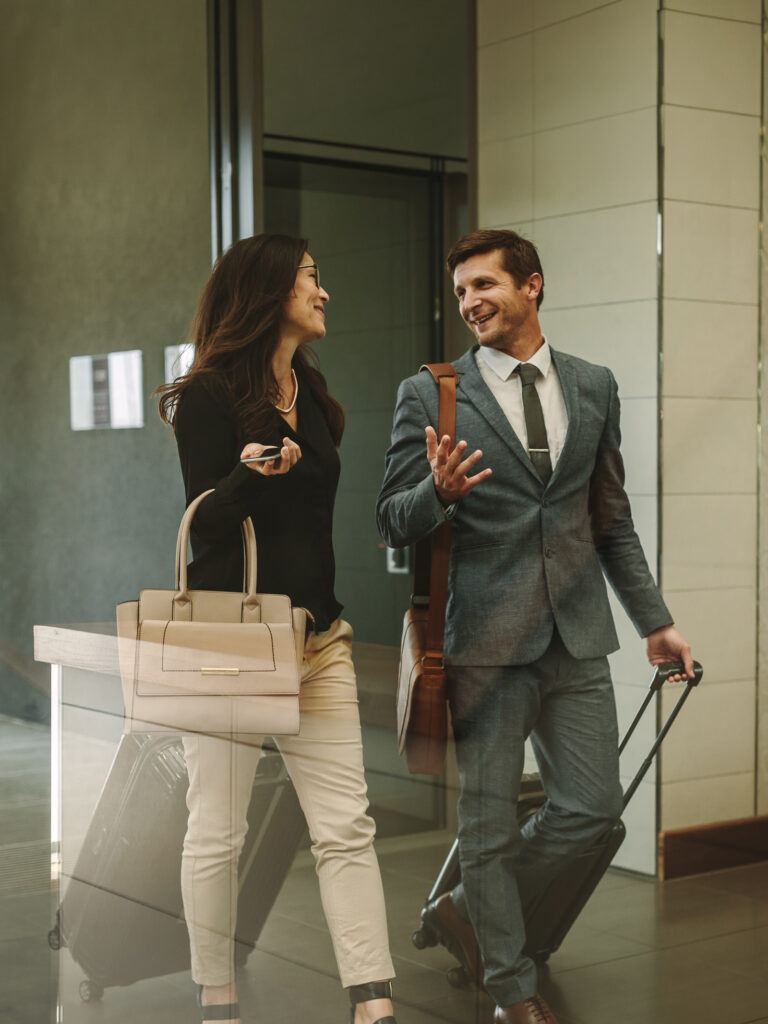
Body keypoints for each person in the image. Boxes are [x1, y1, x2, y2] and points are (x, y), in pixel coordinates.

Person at [375, 229, 694, 1024]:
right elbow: (390, 521)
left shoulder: (594, 385)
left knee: (592, 811)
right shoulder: (433, 392)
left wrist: (655, 623)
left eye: (485, 285)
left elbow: (609, 519)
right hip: (483, 640)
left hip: (578, 635)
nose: (471, 303)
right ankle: (510, 989)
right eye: (461, 293)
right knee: (485, 825)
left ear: (533, 286)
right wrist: (437, 495)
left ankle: (470, 911)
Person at [157, 234, 397, 1024]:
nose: (323, 293)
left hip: (318, 640)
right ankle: (217, 994)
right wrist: (248, 474)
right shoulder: (209, 396)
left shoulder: (313, 391)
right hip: (230, 646)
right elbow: (204, 524)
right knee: (218, 832)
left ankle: (372, 1000)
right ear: (269, 294)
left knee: (344, 827)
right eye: (310, 280)